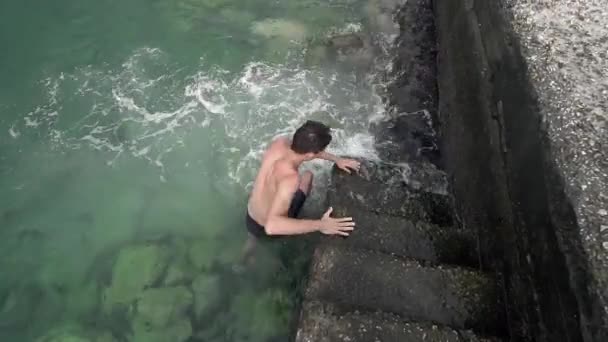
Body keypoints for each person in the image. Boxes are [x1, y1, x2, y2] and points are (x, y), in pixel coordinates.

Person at [240, 120, 361, 265]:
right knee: (308, 176)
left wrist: (337, 159)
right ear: (310, 155)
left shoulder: (279, 144)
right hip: (269, 227)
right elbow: (272, 227)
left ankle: (249, 248)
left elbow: (308, 150)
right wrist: (321, 225)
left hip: (251, 216)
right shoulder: (290, 179)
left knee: (254, 235)